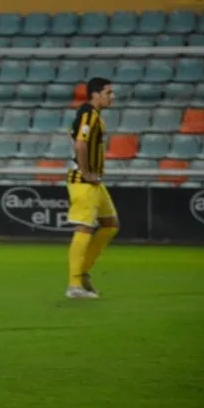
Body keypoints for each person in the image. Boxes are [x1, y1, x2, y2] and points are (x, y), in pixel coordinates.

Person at [65, 77, 118, 299]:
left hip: (94, 181)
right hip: (83, 181)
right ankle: (74, 284)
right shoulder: (88, 113)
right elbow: (80, 143)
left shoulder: (93, 115)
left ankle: (83, 272)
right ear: (95, 94)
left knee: (110, 224)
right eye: (108, 92)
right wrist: (86, 172)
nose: (112, 96)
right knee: (85, 228)